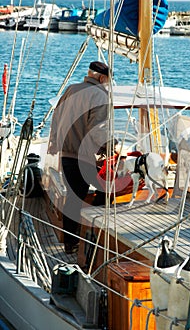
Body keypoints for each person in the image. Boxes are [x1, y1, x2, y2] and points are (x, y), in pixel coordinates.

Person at [48, 61, 109, 254]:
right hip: (85, 156)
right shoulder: (100, 95)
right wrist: (109, 148)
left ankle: (71, 243)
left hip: (66, 154)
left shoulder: (70, 90)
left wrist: (54, 143)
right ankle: (90, 239)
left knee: (73, 198)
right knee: (105, 192)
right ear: (101, 78)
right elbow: (98, 131)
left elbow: (56, 118)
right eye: (107, 81)